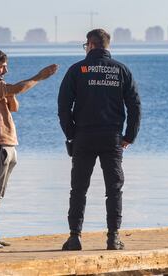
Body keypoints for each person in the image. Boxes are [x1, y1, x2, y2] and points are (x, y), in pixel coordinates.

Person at [58, 29, 141, 250]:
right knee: (114, 189)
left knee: (78, 188)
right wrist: (129, 136)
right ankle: (113, 237)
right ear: (106, 45)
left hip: (83, 136)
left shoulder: (77, 70)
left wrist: (71, 134)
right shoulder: (121, 70)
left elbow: (63, 106)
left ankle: (75, 236)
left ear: (91, 45)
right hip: (111, 137)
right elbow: (134, 105)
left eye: (86, 45)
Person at [0, 48, 58, 248]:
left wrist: (7, 90)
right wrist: (39, 77)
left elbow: (14, 106)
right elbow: (17, 89)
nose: (6, 71)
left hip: (9, 144)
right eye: (3, 67)